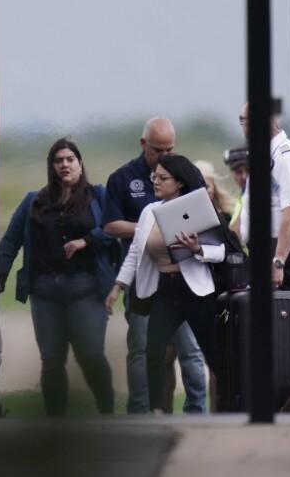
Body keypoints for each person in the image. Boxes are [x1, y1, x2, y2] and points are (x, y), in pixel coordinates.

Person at [0, 137, 115, 416]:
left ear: (80, 163)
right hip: (44, 290)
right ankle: (55, 421)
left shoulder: (98, 196)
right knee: (51, 360)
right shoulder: (33, 202)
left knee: (90, 356)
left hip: (86, 288)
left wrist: (87, 240)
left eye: (70, 159)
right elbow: (10, 241)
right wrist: (0, 277)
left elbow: (114, 227)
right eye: (58, 160)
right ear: (51, 166)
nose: (65, 165)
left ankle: (107, 411)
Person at [102, 118, 207, 414]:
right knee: (142, 349)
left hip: (184, 279)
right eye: (158, 150)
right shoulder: (122, 179)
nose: (164, 156)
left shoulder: (188, 174)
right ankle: (141, 409)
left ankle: (197, 411)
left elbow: (204, 213)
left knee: (191, 350)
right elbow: (111, 225)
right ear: (143, 144)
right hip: (144, 281)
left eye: (170, 149)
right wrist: (151, 228)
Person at [238, 100, 290, 291]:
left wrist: (278, 262)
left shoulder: (284, 156)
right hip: (261, 247)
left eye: (243, 119)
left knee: (279, 314)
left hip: (278, 248)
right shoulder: (265, 154)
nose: (241, 125)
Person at [194, 160, 234, 224]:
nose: (203, 192)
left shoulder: (228, 214)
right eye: (198, 188)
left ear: (214, 186)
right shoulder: (189, 216)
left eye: (207, 187)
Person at [222, 146, 249, 238]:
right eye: (238, 172)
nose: (244, 176)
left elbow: (235, 234)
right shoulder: (242, 196)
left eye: (248, 170)